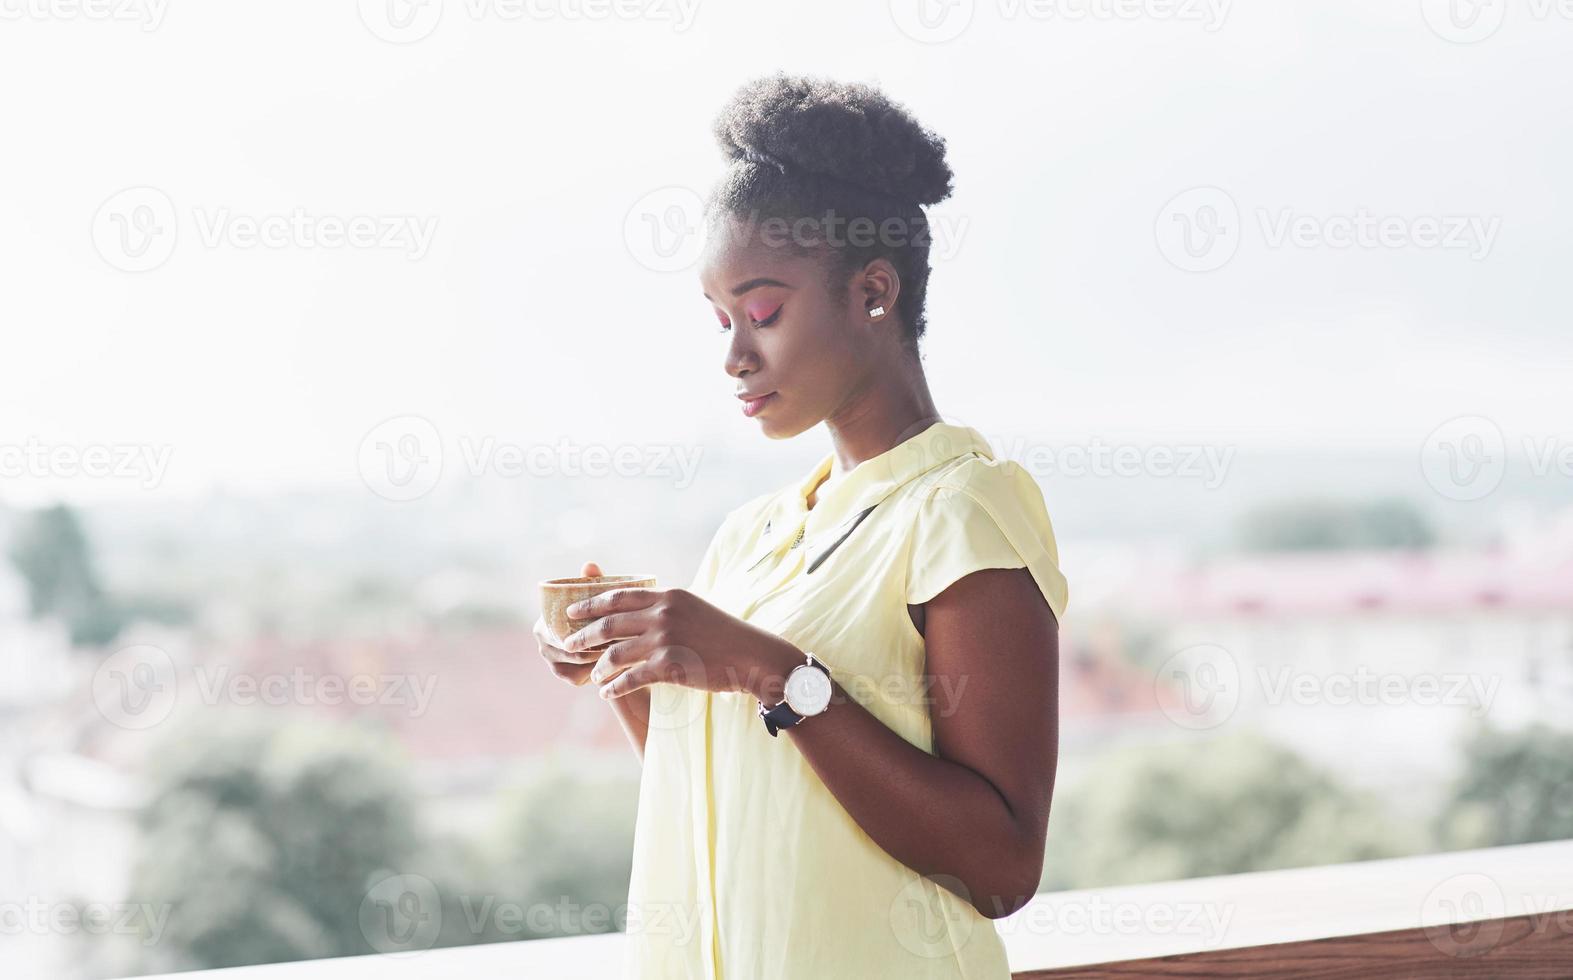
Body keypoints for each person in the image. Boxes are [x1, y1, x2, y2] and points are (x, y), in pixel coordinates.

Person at [534, 71, 1068, 979]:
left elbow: (1001, 867)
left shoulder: (964, 509)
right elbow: (734, 789)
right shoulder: (752, 535)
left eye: (763, 311)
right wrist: (627, 668)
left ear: (871, 291)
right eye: (719, 321)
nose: (736, 355)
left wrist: (767, 667)